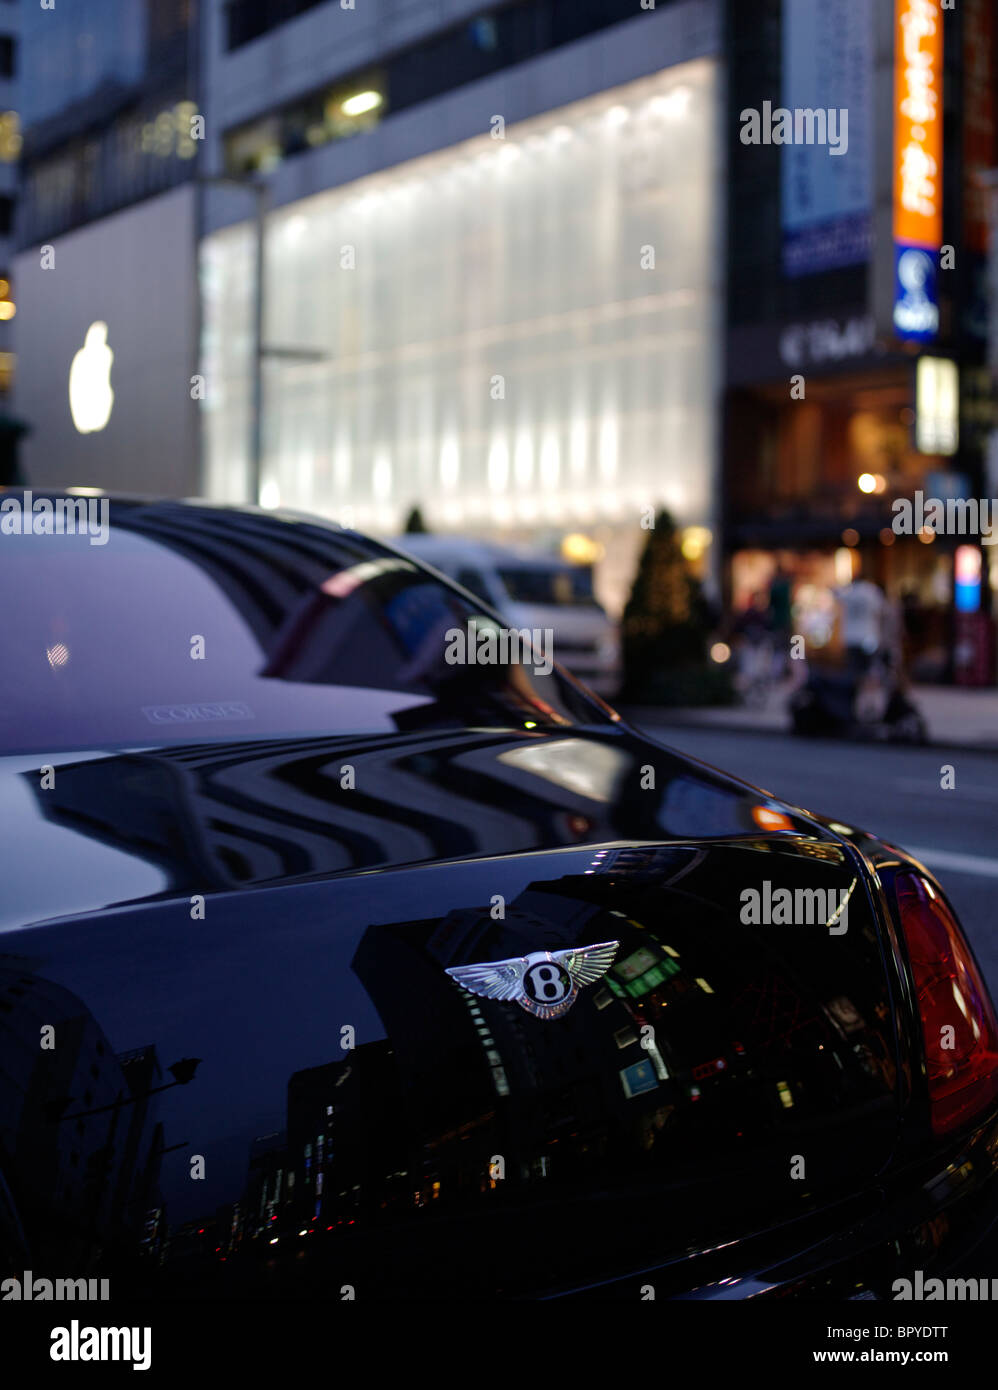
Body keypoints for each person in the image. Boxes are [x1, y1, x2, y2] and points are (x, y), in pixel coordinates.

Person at [834, 563, 887, 677]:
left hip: (850, 636)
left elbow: (835, 594)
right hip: (868, 635)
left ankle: (854, 686)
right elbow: (880, 612)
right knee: (868, 668)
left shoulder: (848, 592)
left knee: (852, 668)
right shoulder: (872, 591)